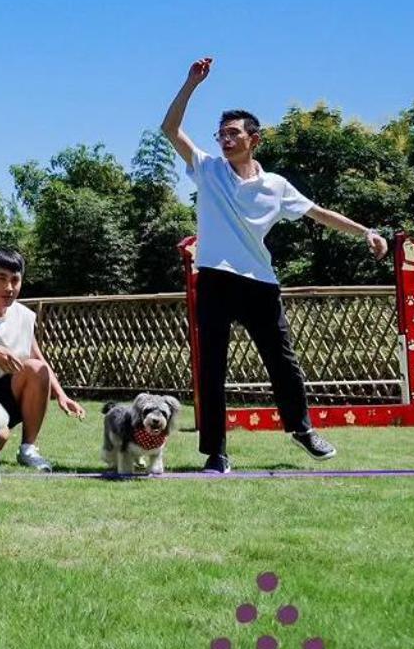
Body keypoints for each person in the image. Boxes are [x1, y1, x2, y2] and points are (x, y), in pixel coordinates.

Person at [161, 57, 388, 473]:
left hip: (260, 284)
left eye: (233, 134)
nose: (225, 140)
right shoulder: (208, 170)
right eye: (221, 134)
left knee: (282, 361)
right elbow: (170, 129)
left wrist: (365, 232)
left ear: (254, 139)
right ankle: (216, 453)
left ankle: (302, 430)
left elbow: (318, 213)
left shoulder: (276, 186)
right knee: (211, 367)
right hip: (213, 278)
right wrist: (190, 84)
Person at [0, 248, 87, 471]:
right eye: (1, 279)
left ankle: (28, 449)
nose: (9, 287)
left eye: (15, 280)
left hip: (2, 395)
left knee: (35, 368)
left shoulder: (24, 316)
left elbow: (38, 360)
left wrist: (61, 395)